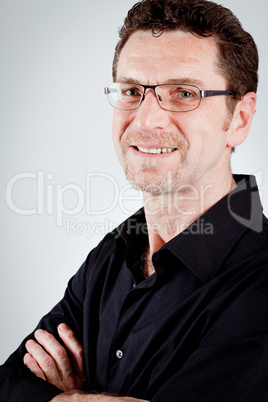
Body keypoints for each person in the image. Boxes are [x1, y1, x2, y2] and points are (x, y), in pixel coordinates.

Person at [1, 0, 268, 400]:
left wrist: (65, 395)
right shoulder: (112, 254)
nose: (146, 119)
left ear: (239, 119)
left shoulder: (260, 285)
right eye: (131, 91)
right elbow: (9, 383)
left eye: (183, 93)